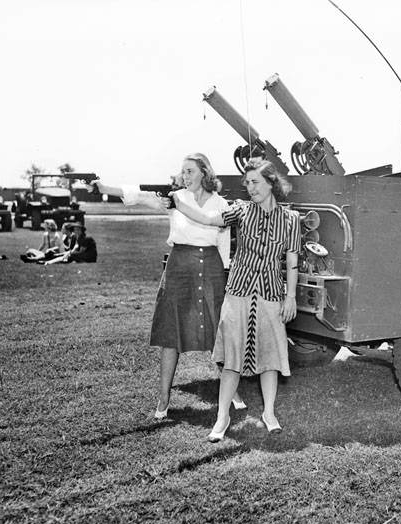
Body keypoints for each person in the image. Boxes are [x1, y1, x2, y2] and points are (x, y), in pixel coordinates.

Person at [94, 152, 245, 420]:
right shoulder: (174, 198)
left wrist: (222, 274)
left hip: (210, 267)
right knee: (171, 334)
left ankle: (231, 392)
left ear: (204, 173)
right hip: (179, 266)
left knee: (217, 333)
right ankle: (164, 398)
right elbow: (139, 194)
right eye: (182, 171)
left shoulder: (221, 203)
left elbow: (223, 242)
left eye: (190, 171)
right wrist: (103, 187)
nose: (184, 176)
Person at [172, 157, 301, 442]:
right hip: (239, 292)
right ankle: (222, 417)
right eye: (247, 183)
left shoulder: (291, 219)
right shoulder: (241, 211)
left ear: (271, 183)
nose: (250, 188)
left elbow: (292, 261)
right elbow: (208, 219)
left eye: (255, 182)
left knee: (269, 357)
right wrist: (178, 204)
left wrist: (290, 296)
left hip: (270, 294)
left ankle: (269, 413)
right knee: (231, 357)